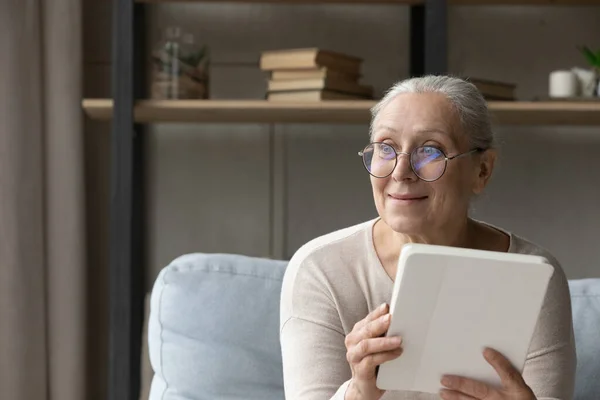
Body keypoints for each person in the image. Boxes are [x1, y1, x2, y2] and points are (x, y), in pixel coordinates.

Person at [279, 75, 576, 400]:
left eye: (431, 151)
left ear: (482, 170)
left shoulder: (533, 275)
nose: (400, 171)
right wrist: (359, 391)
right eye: (386, 148)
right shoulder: (322, 270)